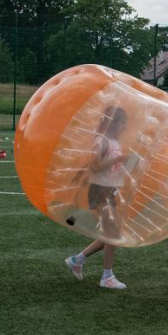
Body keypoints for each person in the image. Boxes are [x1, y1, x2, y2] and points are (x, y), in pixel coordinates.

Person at [64, 106, 131, 290]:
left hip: (109, 190)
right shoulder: (101, 141)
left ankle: (77, 260)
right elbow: (95, 166)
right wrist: (117, 160)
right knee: (112, 233)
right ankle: (107, 276)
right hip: (100, 190)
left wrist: (128, 164)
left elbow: (111, 168)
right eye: (122, 123)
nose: (124, 127)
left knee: (113, 233)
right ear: (112, 123)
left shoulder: (114, 142)